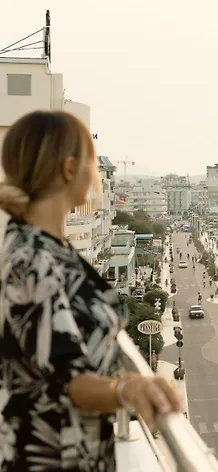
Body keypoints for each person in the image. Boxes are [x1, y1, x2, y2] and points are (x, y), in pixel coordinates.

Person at [0, 111, 183, 471]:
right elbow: (67, 379)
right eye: (93, 161)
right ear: (69, 169)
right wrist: (127, 388)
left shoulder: (46, 246)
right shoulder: (30, 257)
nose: (97, 173)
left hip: (73, 449)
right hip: (52, 455)